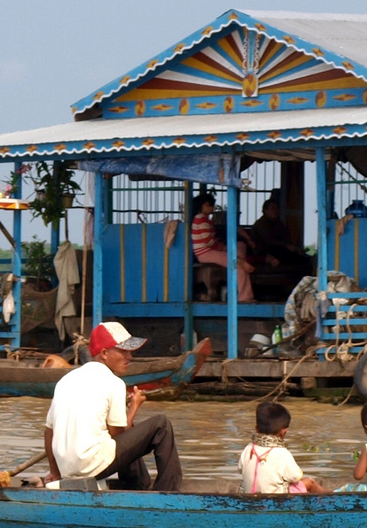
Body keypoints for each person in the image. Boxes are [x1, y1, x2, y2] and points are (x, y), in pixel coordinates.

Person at [43, 321, 182, 491]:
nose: (129, 357)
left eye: (130, 352)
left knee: (135, 435)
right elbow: (118, 436)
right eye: (123, 351)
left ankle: (137, 485)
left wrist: (55, 472)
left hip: (67, 469)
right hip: (92, 467)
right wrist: (134, 407)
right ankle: (169, 492)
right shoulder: (114, 383)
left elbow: (48, 432)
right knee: (161, 424)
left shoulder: (65, 381)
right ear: (104, 354)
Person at [239, 402, 329, 494]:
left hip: (248, 497)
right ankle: (332, 499)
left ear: (256, 429)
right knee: (310, 482)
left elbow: (240, 469)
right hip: (277, 501)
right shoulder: (282, 453)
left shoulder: (248, 448)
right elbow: (296, 476)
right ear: (284, 432)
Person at [191, 192, 254, 302]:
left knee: (240, 246)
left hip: (208, 251)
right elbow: (209, 242)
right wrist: (223, 248)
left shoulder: (204, 220)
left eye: (212, 204)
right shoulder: (201, 220)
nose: (212, 207)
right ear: (200, 206)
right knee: (238, 266)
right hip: (206, 253)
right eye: (208, 205)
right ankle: (245, 297)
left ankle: (240, 260)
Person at [243, 197, 310, 271]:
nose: (276, 211)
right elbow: (268, 241)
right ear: (265, 210)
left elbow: (285, 237)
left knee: (298, 257)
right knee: (284, 253)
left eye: (277, 209)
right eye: (273, 208)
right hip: (263, 250)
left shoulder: (278, 222)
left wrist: (292, 246)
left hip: (276, 248)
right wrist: (286, 246)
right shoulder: (261, 223)